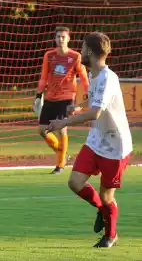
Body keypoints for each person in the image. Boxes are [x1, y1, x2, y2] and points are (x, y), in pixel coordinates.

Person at [46, 32, 133, 248]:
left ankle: (110, 235)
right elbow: (95, 106)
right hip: (96, 140)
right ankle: (102, 211)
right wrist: (78, 108)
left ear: (91, 52)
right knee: (74, 183)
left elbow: (95, 113)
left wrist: (64, 122)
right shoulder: (94, 75)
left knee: (106, 196)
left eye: (83, 48)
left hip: (115, 146)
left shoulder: (107, 77)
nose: (81, 51)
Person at [33, 26, 89, 174]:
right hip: (50, 97)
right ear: (55, 38)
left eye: (63, 37)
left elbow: (83, 76)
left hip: (66, 97)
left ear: (68, 38)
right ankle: (62, 155)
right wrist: (39, 95)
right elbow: (44, 77)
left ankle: (60, 166)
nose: (61, 39)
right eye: (58, 36)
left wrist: (89, 91)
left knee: (61, 128)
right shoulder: (49, 55)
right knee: (42, 130)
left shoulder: (76, 56)